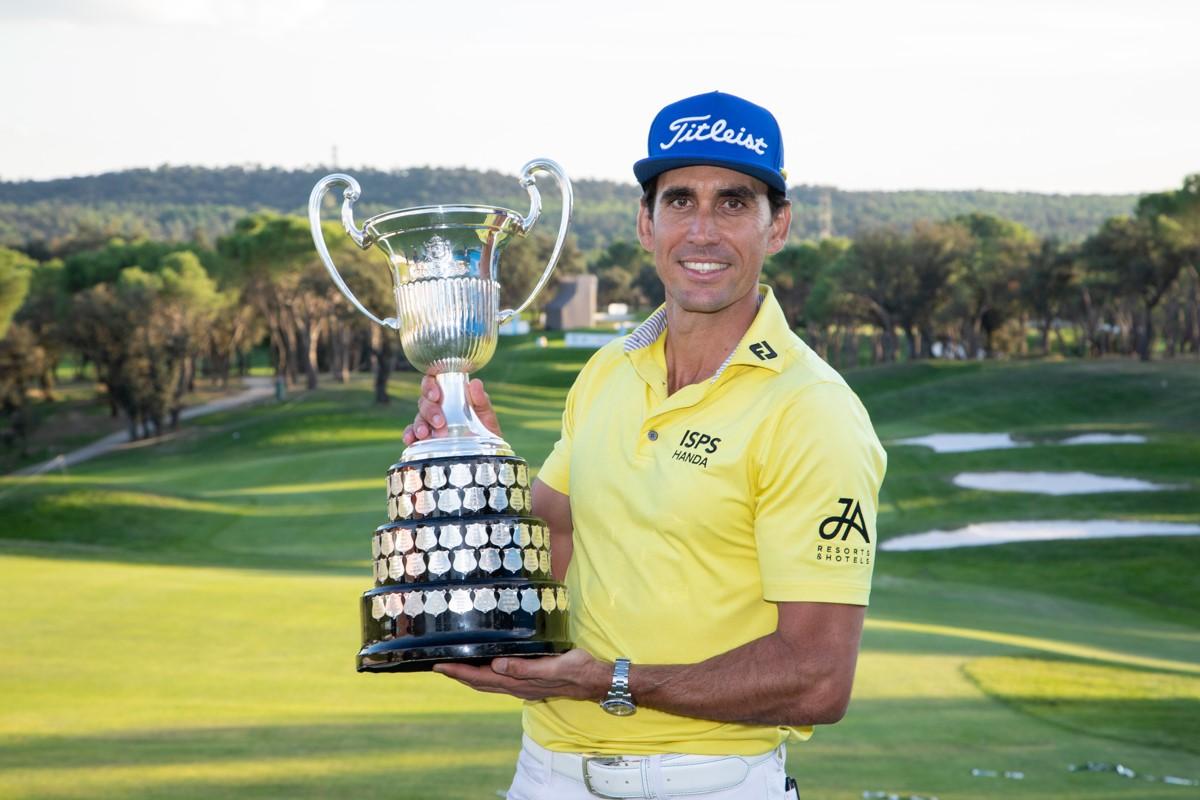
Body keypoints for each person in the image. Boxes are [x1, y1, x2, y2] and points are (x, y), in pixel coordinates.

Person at [404, 91, 887, 800]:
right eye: (680, 200)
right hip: (544, 772)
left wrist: (611, 683)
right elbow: (547, 542)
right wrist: (468, 457)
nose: (702, 231)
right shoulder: (608, 371)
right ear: (644, 220)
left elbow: (817, 678)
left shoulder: (811, 410)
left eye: (733, 203)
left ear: (776, 225)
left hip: (706, 783)